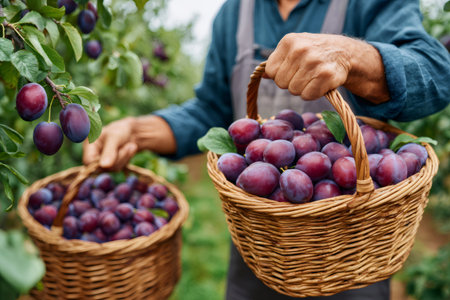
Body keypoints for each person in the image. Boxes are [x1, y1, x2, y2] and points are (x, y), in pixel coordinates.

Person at [83, 0, 450, 299]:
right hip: (260, 247)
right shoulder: (234, 12)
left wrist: (354, 57)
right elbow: (212, 110)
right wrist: (138, 130)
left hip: (349, 249)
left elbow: (437, 72)